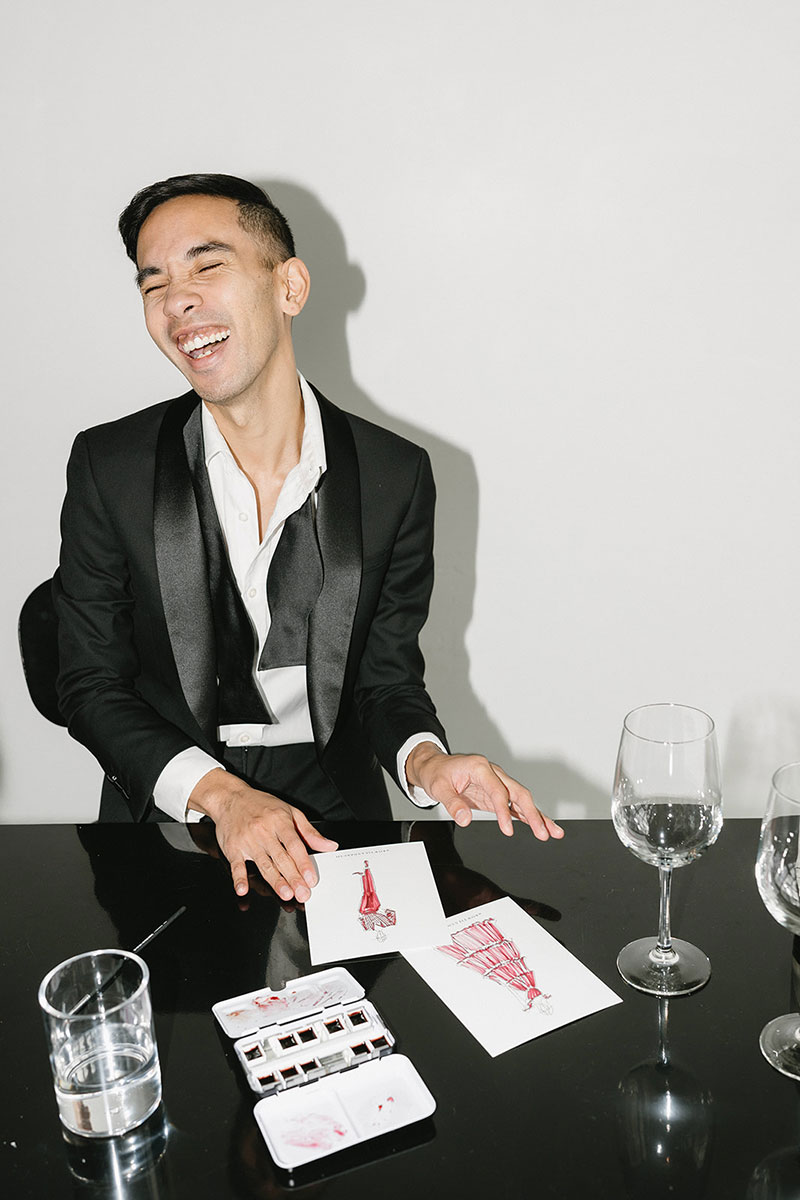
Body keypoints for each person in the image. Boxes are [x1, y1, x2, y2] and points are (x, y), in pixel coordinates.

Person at [53, 174, 563, 904]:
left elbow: (384, 680)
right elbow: (89, 683)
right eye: (153, 283)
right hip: (172, 805)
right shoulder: (110, 465)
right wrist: (221, 795)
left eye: (206, 266)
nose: (176, 301)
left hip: (334, 805)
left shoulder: (396, 475)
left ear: (289, 287)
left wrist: (426, 763)